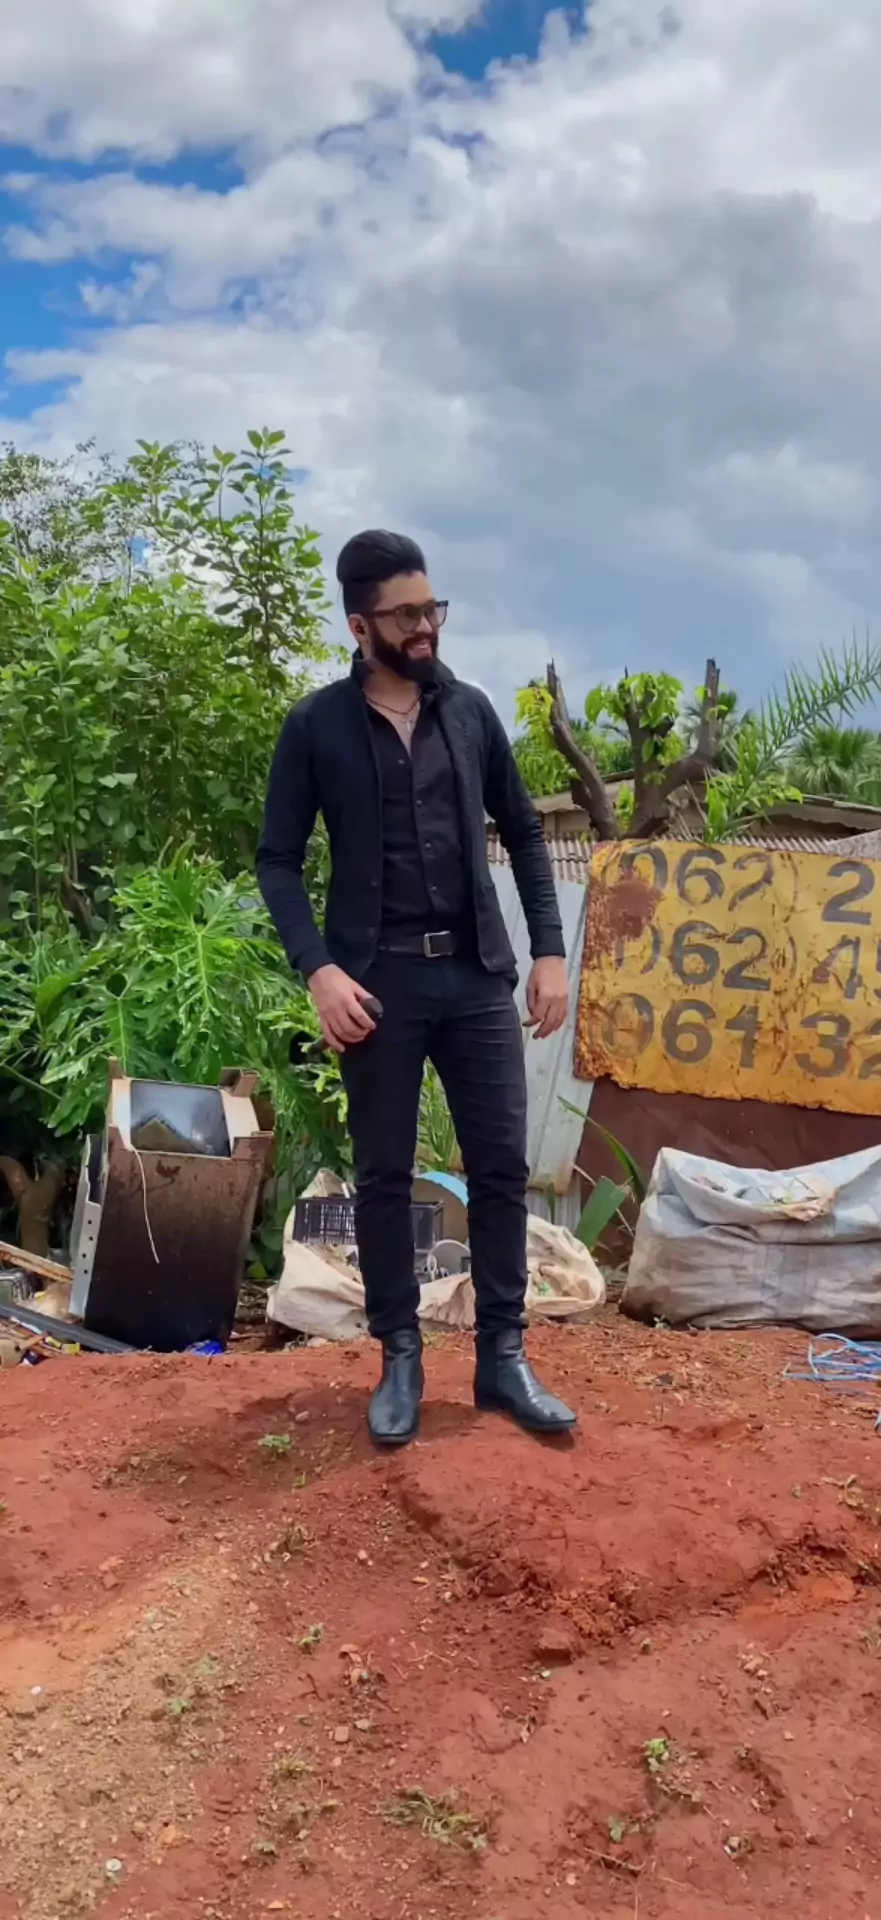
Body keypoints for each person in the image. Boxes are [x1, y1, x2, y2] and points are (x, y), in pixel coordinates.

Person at [257, 529, 577, 1447]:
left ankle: (503, 1357)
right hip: (376, 984)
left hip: (474, 976)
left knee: (501, 1168)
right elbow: (278, 861)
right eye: (404, 615)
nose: (425, 626)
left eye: (432, 607)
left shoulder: (469, 714)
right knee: (385, 1176)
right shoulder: (317, 727)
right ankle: (400, 1354)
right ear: (360, 626)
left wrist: (549, 953)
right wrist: (319, 971)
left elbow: (524, 832)